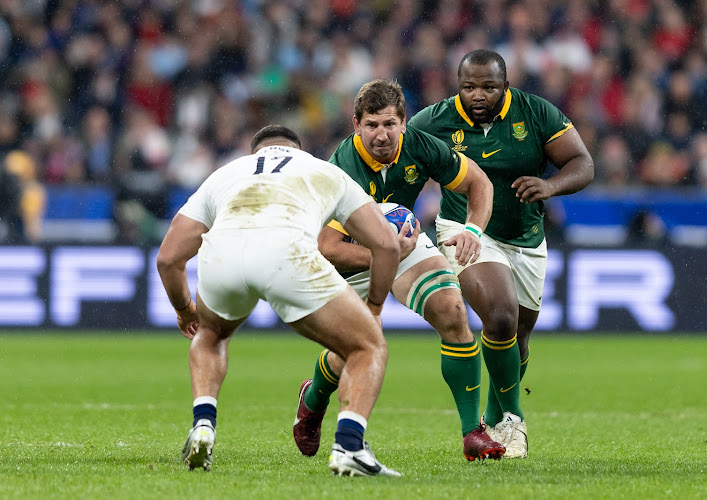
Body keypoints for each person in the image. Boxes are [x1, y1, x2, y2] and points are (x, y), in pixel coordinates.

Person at [156, 125, 403, 477]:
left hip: (223, 253)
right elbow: (387, 246)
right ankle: (349, 446)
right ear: (298, 150)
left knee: (210, 336)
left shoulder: (224, 174)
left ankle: (203, 426)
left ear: (255, 152)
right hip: (286, 251)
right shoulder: (324, 170)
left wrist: (184, 312)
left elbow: (168, 258)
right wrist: (375, 307)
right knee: (368, 347)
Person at [293, 79, 505, 462]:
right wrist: (384, 256)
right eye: (372, 125)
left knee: (453, 312)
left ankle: (472, 432)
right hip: (351, 257)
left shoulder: (419, 146)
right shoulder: (341, 170)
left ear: (404, 123)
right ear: (356, 125)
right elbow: (328, 247)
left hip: (402, 243)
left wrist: (473, 229)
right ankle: (313, 397)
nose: (381, 134)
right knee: (352, 353)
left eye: (389, 124)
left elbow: (479, 182)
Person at [409, 49, 595, 458]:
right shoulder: (433, 122)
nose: (478, 95)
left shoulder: (536, 113)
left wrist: (551, 186)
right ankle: (513, 417)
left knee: (518, 338)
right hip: (466, 229)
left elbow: (582, 162)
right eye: (469, 87)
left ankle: (495, 417)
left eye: (489, 87)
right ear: (457, 86)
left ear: (505, 86)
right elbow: (406, 169)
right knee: (499, 314)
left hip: (526, 236)